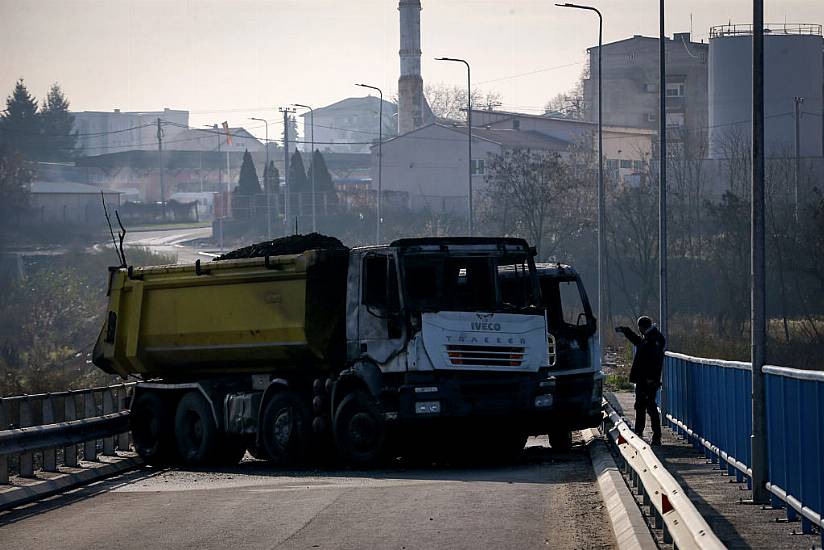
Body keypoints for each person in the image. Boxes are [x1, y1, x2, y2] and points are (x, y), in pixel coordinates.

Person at [616, 316, 666, 445]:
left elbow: (656, 361)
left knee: (650, 407)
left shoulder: (654, 339)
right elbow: (638, 342)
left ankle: (656, 436)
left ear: (642, 327)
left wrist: (652, 378)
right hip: (643, 379)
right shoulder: (649, 338)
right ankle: (639, 431)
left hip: (648, 380)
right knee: (640, 405)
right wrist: (626, 331)